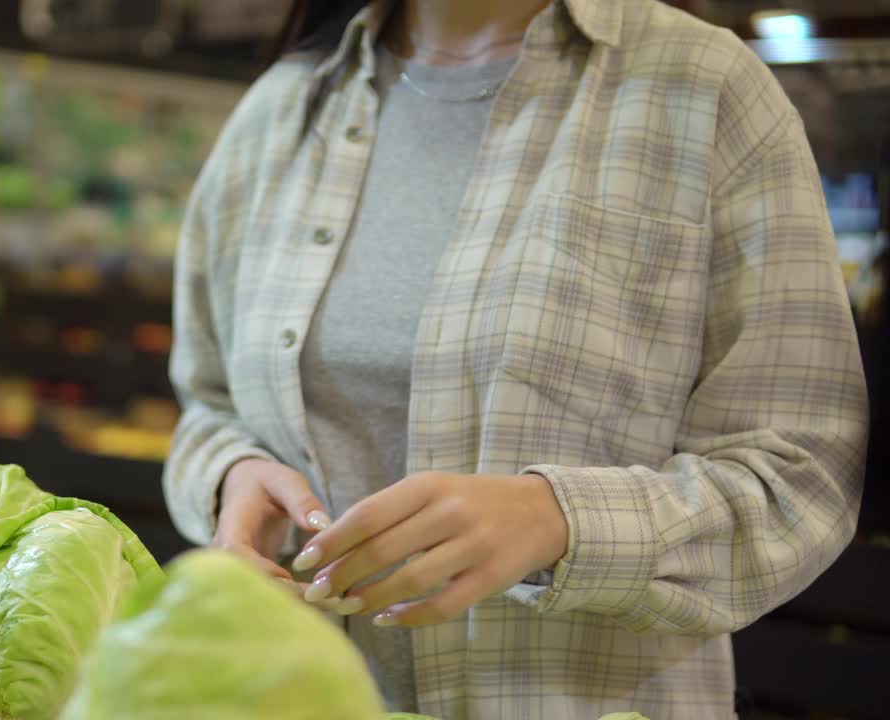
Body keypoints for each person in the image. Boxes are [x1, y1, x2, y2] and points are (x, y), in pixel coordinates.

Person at [162, 0, 869, 717]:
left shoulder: (702, 87)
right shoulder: (282, 108)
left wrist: (561, 521)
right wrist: (231, 476)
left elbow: (799, 475)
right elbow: (206, 407)